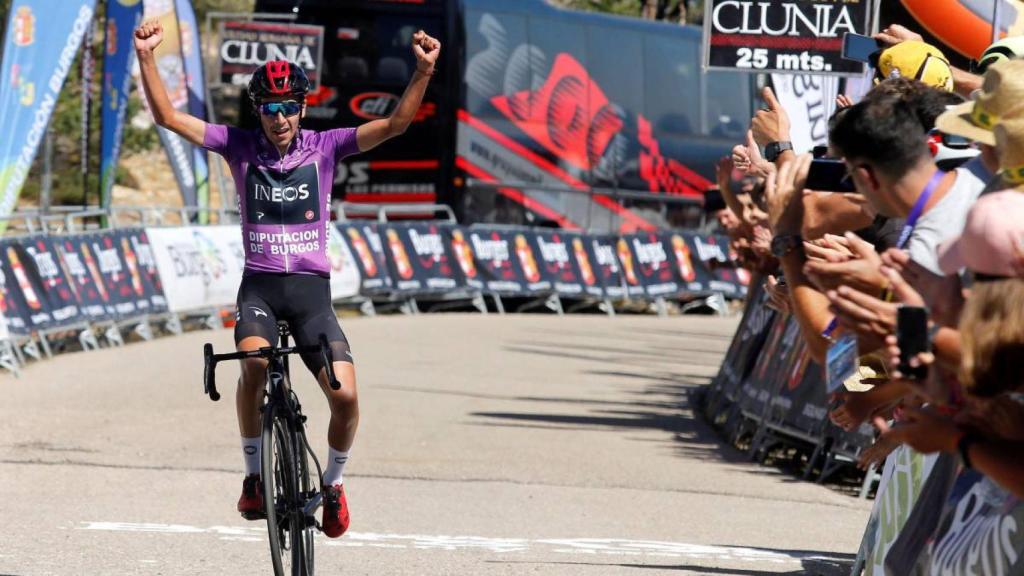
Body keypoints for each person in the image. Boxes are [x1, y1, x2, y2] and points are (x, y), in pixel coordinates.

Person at [134, 19, 441, 538]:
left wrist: (423, 72)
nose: (280, 118)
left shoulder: (326, 146)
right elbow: (166, 116)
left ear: (303, 107)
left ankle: (335, 486)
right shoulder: (237, 146)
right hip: (260, 290)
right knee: (253, 365)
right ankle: (254, 478)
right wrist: (146, 57)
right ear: (260, 111)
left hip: (310, 298)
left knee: (345, 397)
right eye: (270, 108)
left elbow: (394, 125)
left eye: (289, 107)